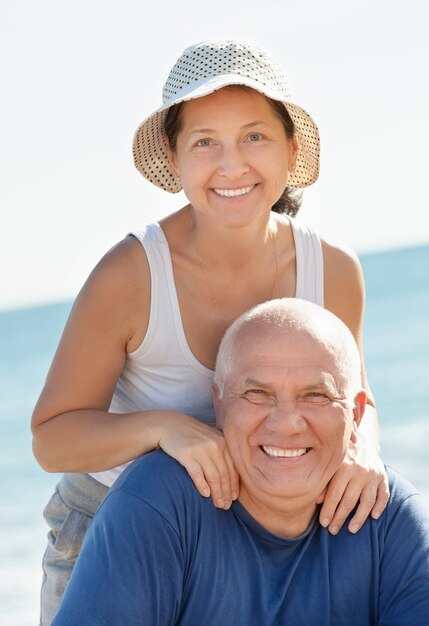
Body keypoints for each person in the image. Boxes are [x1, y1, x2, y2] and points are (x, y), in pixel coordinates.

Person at [32, 40, 389, 624]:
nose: (232, 166)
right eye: (205, 143)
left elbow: (355, 399)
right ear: (174, 160)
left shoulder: (334, 271)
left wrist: (364, 449)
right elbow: (51, 439)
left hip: (247, 536)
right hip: (108, 530)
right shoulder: (130, 275)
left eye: (255, 136)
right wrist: (163, 428)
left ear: (290, 147)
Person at [51, 299, 429, 626]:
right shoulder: (158, 505)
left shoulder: (388, 516)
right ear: (218, 403)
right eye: (256, 394)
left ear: (356, 414)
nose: (286, 423)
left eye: (315, 395)